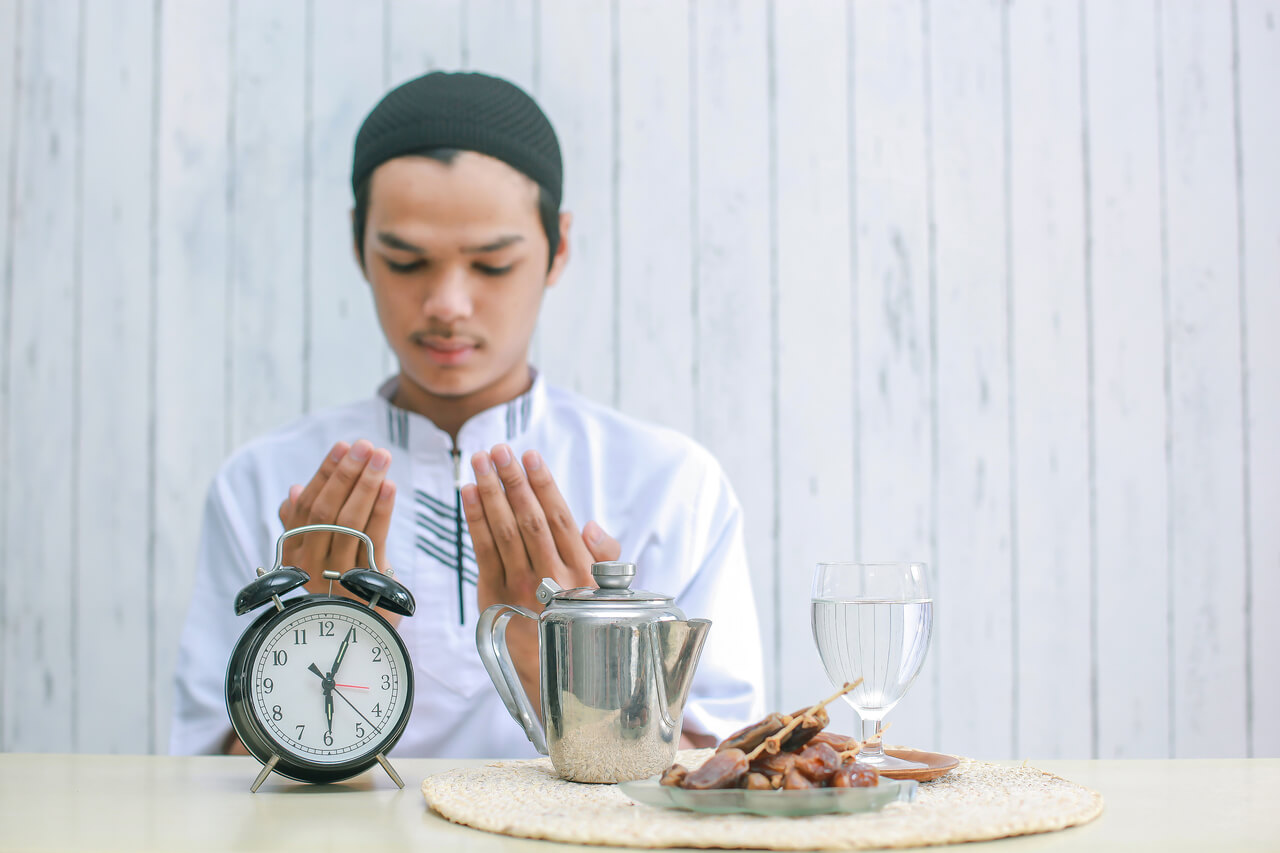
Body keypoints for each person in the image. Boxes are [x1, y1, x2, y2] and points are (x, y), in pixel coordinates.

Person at [169, 71, 765, 758]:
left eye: (492, 264)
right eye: (406, 261)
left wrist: (568, 677)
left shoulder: (671, 486)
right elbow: (206, 781)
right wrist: (315, 646)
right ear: (358, 245)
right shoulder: (264, 484)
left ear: (558, 248)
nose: (448, 304)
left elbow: (727, 774)